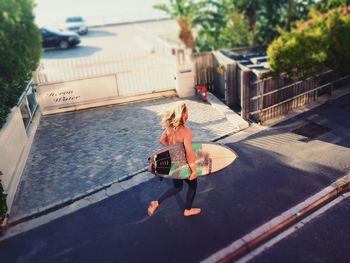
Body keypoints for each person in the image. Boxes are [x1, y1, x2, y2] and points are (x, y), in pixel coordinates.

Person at [147, 102, 201, 217]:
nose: (188, 115)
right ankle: (188, 210)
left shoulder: (169, 128)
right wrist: (194, 170)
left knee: (177, 187)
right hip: (184, 165)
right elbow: (189, 154)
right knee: (193, 186)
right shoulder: (186, 132)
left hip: (174, 163)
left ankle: (156, 202)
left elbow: (162, 140)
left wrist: (173, 150)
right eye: (186, 112)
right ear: (182, 115)